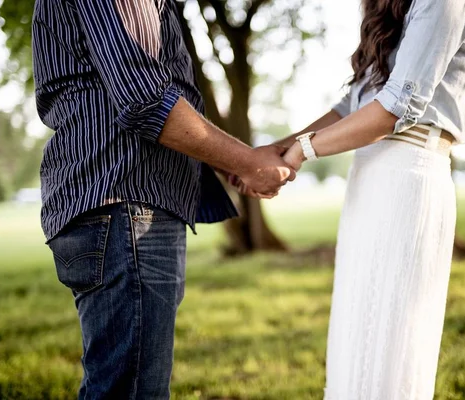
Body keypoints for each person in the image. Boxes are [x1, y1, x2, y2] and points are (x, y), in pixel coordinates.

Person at [32, 0, 294, 398]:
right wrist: (248, 161)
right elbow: (145, 98)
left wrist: (227, 163)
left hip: (113, 206)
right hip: (125, 206)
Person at [238, 0, 465, 397]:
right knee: (357, 331)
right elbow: (350, 105)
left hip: (409, 175)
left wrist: (301, 151)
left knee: (391, 335)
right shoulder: (389, 6)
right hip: (367, 176)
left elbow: (396, 107)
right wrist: (272, 152)